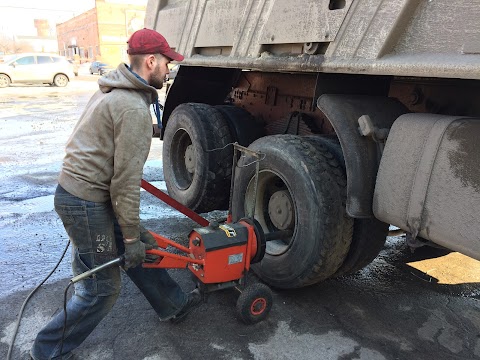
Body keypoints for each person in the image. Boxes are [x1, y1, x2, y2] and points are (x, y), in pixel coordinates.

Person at [30, 28, 202, 360]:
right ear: (151, 61)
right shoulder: (132, 108)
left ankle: (173, 305)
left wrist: (135, 237)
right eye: (167, 63)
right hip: (85, 202)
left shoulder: (114, 90)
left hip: (79, 193)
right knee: (103, 288)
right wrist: (132, 236)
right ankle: (47, 352)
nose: (170, 71)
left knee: (137, 245)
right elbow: (124, 185)